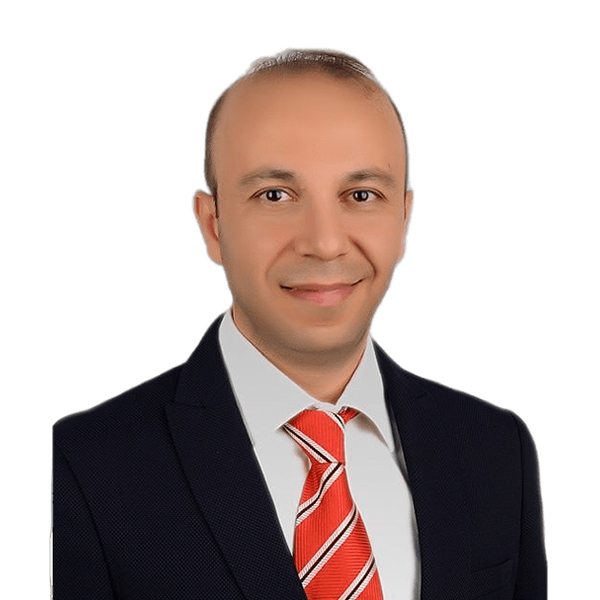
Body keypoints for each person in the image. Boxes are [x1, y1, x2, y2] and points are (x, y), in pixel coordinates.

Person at [52, 49, 546, 600]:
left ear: (403, 219)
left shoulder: (495, 450)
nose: (325, 243)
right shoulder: (81, 468)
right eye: (275, 195)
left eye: (362, 195)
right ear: (213, 226)